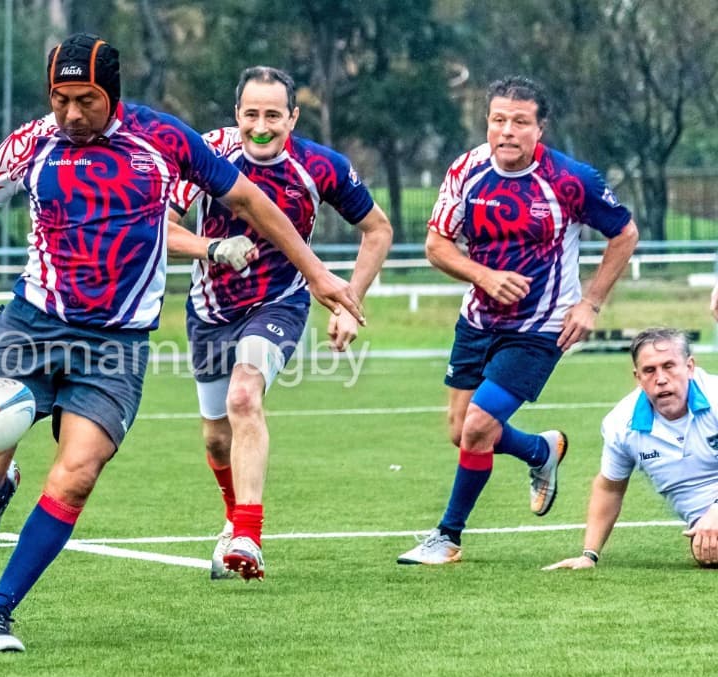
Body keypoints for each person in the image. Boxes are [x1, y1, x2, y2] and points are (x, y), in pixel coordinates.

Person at [0, 33, 361, 652]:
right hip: (32, 325)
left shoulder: (165, 139)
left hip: (114, 346)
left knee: (76, 475)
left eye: (85, 99)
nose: (71, 113)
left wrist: (316, 273)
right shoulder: (31, 144)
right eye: (60, 98)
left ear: (111, 94)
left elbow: (248, 199)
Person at [397, 75, 640, 565]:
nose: (507, 131)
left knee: (478, 426)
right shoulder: (466, 169)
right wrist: (484, 276)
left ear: (539, 128)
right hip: (477, 321)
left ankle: (447, 537)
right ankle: (539, 451)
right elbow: (436, 247)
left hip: (541, 327)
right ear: (487, 121)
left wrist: (590, 303)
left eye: (520, 122)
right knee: (461, 430)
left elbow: (625, 233)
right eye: (498, 120)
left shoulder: (572, 180)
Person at [166, 66, 392, 581]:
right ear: (236, 115)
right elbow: (160, 228)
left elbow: (377, 230)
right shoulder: (207, 155)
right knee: (215, 439)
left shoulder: (320, 166)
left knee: (245, 396)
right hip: (208, 311)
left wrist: (347, 300)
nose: (261, 126)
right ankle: (231, 515)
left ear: (293, 116)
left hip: (279, 304)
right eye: (251, 114)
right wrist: (213, 248)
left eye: (273, 115)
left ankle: (248, 532)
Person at [544, 328, 718, 570]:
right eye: (650, 370)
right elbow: (610, 488)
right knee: (710, 549)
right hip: (704, 525)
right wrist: (589, 555)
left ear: (689, 367)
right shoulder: (620, 424)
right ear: (637, 377)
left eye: (669, 366)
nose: (661, 378)